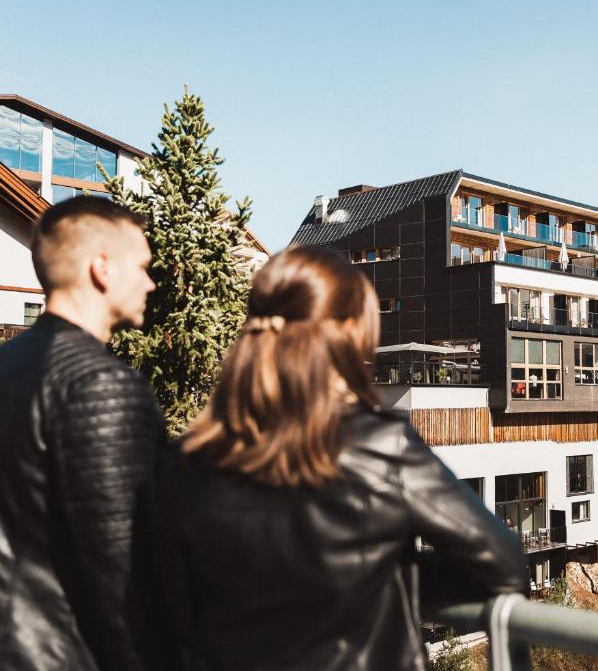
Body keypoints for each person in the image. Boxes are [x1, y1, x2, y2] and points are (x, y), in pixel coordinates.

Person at [158, 246, 527, 671]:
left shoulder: (187, 460)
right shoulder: (378, 446)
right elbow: (503, 562)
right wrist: (380, 575)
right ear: (349, 334)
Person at [0, 196, 164, 671]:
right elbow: (123, 572)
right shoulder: (99, 383)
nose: (151, 283)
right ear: (102, 269)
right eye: (143, 266)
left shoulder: (6, 366)